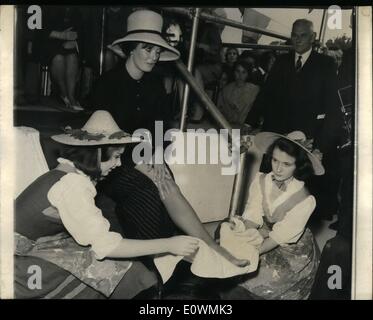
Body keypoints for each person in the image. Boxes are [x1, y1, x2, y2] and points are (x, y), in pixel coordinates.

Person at [89, 10, 247, 268]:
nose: (153, 56)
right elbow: (101, 142)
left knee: (167, 182)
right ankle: (157, 261)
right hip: (109, 163)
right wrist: (138, 163)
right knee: (148, 189)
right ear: (131, 48)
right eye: (146, 49)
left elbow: (159, 130)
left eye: (156, 51)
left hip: (143, 156)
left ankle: (212, 247)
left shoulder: (154, 85)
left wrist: (156, 157)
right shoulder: (107, 84)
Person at [14, 110, 201, 299]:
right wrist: (169, 244)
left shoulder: (66, 173)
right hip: (16, 266)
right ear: (96, 154)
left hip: (32, 248)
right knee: (112, 271)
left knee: (125, 269)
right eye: (115, 156)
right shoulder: (73, 185)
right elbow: (106, 247)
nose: (119, 164)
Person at [245, 19, 343, 220]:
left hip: (304, 140)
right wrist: (249, 122)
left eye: (303, 35)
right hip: (277, 134)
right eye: (294, 35)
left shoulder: (326, 64)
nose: (297, 40)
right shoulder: (281, 61)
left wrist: (321, 145)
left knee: (297, 191)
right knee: (270, 182)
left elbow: (332, 107)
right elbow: (265, 95)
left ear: (313, 37)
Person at [221, 131, 323, 300]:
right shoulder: (262, 179)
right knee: (227, 237)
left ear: (298, 165)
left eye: (287, 164)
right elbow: (253, 215)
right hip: (264, 231)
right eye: (275, 160)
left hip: (287, 245)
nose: (278, 168)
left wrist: (251, 253)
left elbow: (278, 237)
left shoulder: (305, 200)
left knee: (261, 282)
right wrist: (244, 239)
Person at [40, 6, 85, 111]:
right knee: (58, 59)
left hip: (70, 45)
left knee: (72, 58)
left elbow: (81, 32)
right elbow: (42, 32)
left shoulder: (77, 10)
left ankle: (71, 96)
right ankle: (64, 93)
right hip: (51, 44)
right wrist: (62, 35)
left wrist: (74, 40)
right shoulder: (47, 9)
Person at [217, 61, 260, 127]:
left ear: (248, 74)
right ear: (234, 72)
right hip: (228, 126)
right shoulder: (226, 90)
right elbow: (219, 110)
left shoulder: (255, 90)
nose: (240, 75)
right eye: (237, 71)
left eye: (244, 72)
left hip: (247, 128)